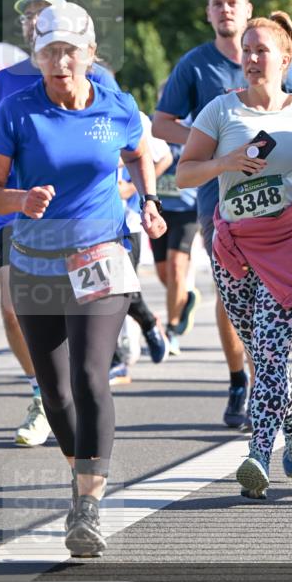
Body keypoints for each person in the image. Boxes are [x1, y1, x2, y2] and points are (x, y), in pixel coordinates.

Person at [0, 2, 166, 557]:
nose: (59, 62)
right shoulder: (16, 111)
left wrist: (149, 200)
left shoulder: (116, 104)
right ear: (37, 56)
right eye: (49, 52)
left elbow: (139, 153)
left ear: (89, 54)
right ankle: (79, 469)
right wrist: (20, 200)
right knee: (55, 391)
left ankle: (87, 504)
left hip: (101, 255)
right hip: (36, 262)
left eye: (69, 52)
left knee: (89, 375)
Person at [176, 11, 292, 499]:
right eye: (246, 50)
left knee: (269, 351)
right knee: (260, 353)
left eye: (261, 50)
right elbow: (184, 173)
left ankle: (257, 455)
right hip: (235, 249)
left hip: (288, 245)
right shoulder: (221, 110)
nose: (250, 58)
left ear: (285, 58)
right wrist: (225, 161)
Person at [153, 0, 292, 429]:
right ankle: (242, 378)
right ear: (208, 13)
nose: (225, 10)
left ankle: (268, 386)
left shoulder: (273, 56)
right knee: (234, 287)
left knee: (271, 293)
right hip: (217, 198)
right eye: (217, 3)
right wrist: (212, 142)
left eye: (232, 2)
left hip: (276, 198)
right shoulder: (195, 65)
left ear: (247, 9)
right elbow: (161, 123)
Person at [0, 0, 117, 446]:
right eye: (29, 18)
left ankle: (88, 376)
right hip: (17, 216)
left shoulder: (99, 77)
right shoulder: (5, 82)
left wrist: (140, 198)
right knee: (11, 310)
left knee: (84, 340)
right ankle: (43, 391)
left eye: (42, 15)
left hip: (86, 224)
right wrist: (8, 192)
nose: (32, 21)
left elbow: (123, 142)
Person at [109, 110, 173, 384]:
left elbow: (164, 157)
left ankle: (145, 325)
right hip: (87, 223)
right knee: (98, 292)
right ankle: (115, 360)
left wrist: (134, 189)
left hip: (129, 221)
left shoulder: (132, 114)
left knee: (120, 290)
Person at [149, 103, 201, 356]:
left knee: (176, 266)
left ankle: (171, 330)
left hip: (188, 208)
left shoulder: (195, 126)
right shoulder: (152, 125)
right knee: (164, 274)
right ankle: (186, 297)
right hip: (159, 208)